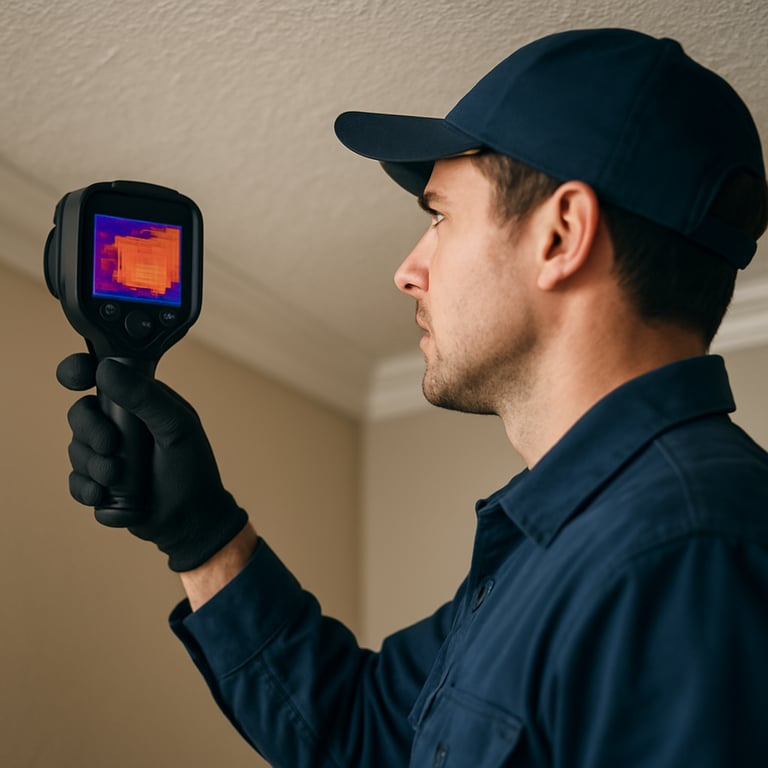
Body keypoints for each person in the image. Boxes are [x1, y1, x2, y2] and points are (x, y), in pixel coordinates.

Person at [57, 28, 768, 767]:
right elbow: (361, 731)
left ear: (561, 235)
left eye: (439, 216)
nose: (408, 270)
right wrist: (204, 537)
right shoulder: (552, 547)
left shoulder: (689, 553)